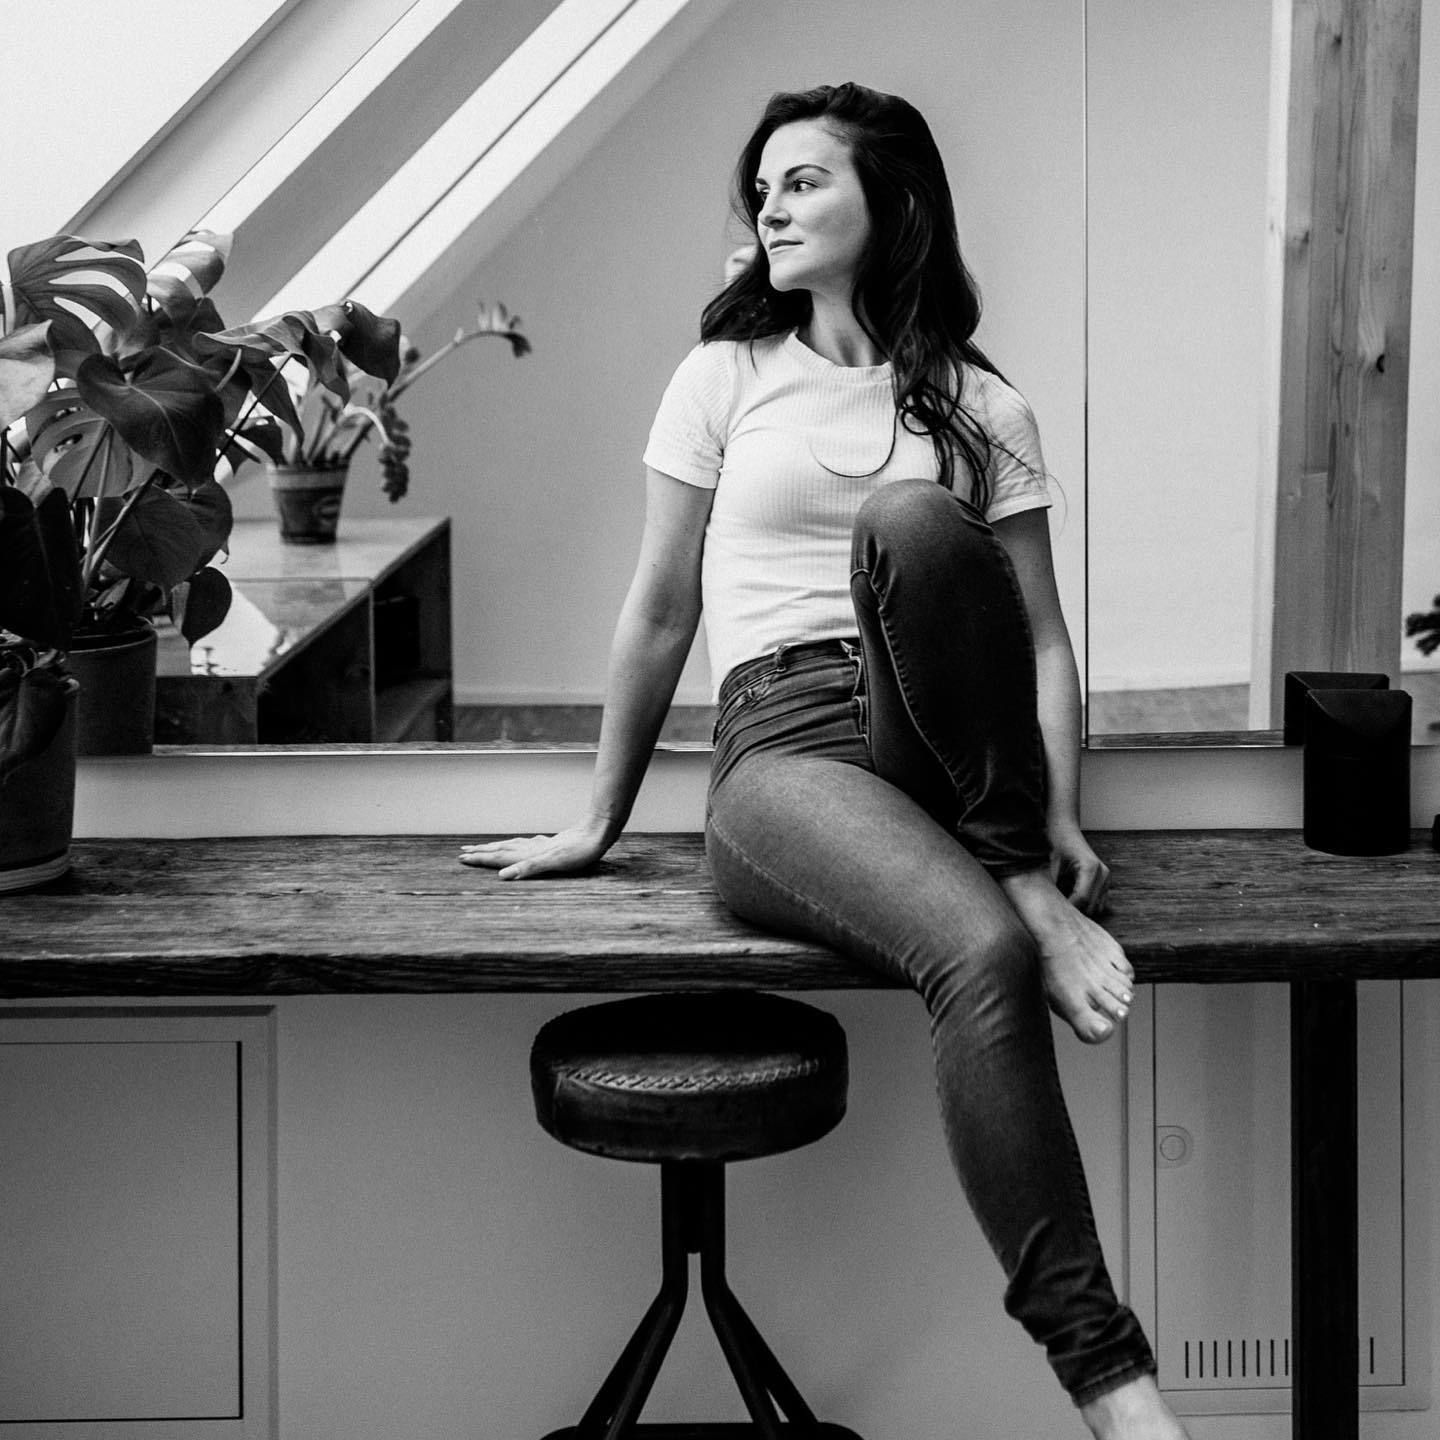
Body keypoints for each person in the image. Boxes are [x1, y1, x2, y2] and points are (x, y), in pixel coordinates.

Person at [461, 82, 1188, 1440]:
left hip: (944, 750)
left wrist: (1064, 816)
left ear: (890, 199)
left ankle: (1019, 868)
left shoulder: (983, 403)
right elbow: (661, 608)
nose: (771, 209)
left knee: (914, 521)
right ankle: (1116, 1392)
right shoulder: (723, 378)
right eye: (763, 190)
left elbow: (1038, 639)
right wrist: (599, 818)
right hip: (785, 751)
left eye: (804, 181)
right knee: (980, 953)